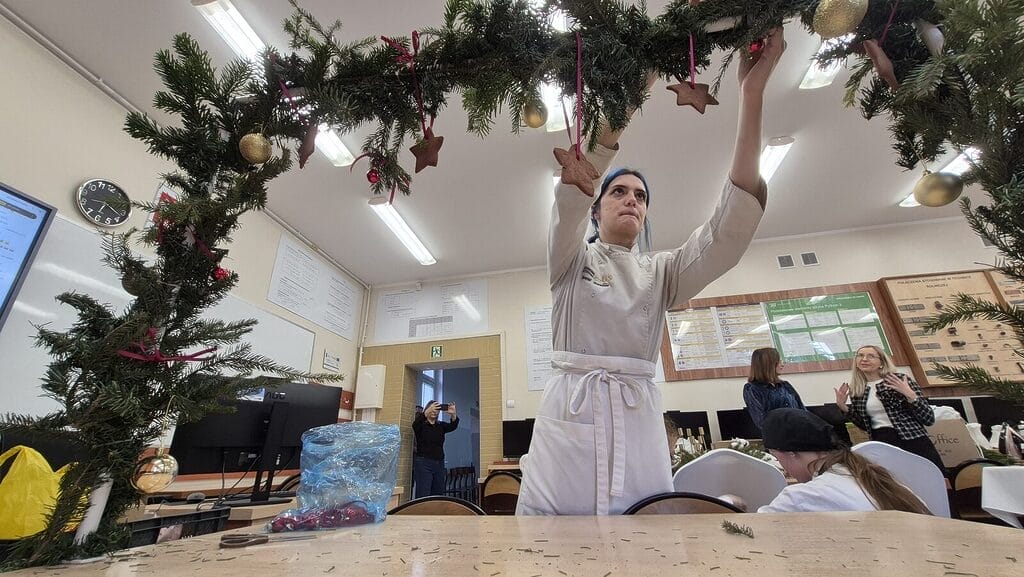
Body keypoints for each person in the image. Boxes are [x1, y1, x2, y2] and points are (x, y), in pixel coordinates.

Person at [516, 28, 786, 516]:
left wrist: (752, 93)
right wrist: (631, 92)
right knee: (553, 540)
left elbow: (725, 236)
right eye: (618, 191)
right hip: (570, 414)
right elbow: (569, 200)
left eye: (640, 196)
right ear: (596, 210)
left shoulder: (661, 272)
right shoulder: (570, 260)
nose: (632, 200)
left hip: (638, 419)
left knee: (642, 533)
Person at [758, 408, 931, 514]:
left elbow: (748, 533)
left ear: (791, 453)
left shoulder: (802, 497)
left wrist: (732, 502)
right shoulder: (879, 478)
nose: (784, 469)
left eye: (777, 457)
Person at [834, 345, 944, 472]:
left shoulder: (900, 380)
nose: (864, 359)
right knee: (897, 485)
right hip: (882, 442)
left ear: (881, 362)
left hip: (912, 439)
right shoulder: (858, 389)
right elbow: (864, 425)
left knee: (932, 480)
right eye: (860, 355)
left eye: (871, 356)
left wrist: (910, 395)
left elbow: (928, 419)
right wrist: (843, 407)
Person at [742, 347, 805, 433]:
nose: (782, 364)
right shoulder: (752, 389)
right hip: (778, 437)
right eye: (779, 362)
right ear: (768, 364)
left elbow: (802, 409)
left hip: (800, 433)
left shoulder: (785, 385)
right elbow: (761, 421)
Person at [411, 400, 458, 498]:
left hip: (439, 463)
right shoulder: (420, 425)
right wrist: (426, 412)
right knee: (423, 494)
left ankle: (435, 512)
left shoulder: (440, 425)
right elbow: (415, 424)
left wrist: (453, 414)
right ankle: (422, 512)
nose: (434, 411)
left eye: (437, 409)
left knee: (438, 493)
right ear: (427, 409)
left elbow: (453, 426)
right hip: (423, 463)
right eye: (432, 408)